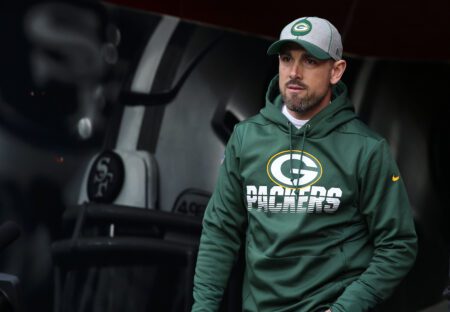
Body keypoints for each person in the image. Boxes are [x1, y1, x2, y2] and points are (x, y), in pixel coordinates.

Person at [191, 16, 417, 312]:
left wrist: (344, 309)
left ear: (336, 71)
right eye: (287, 59)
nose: (294, 72)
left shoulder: (367, 149)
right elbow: (220, 231)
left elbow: (398, 246)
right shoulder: (246, 138)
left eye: (309, 61)